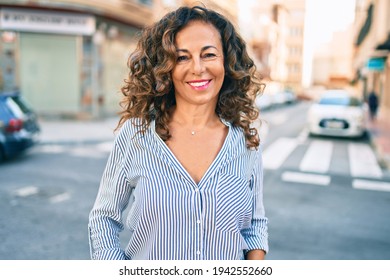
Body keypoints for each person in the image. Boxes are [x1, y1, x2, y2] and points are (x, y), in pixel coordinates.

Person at [88, 5, 269, 260]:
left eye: (208, 55)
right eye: (182, 57)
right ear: (165, 68)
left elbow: (255, 228)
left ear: (227, 63)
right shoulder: (136, 135)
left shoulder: (246, 140)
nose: (197, 68)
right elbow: (104, 219)